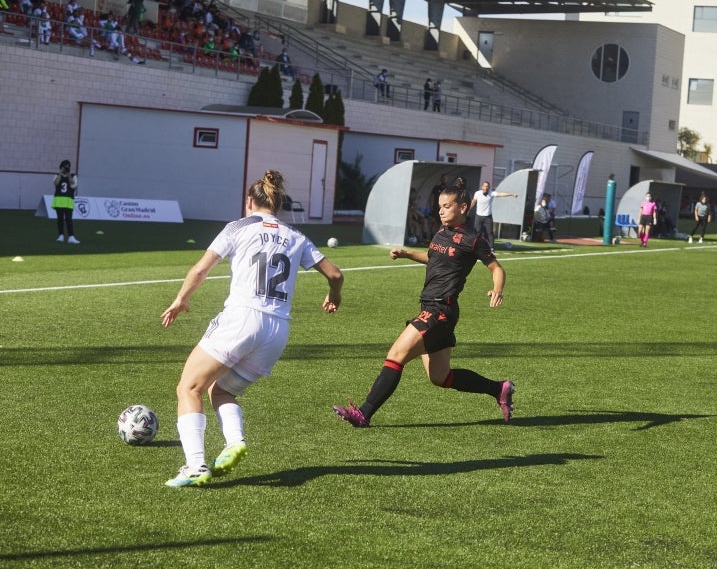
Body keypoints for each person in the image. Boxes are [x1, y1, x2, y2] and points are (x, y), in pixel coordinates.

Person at [160, 170, 344, 487]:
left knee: (188, 388)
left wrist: (181, 299)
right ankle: (234, 442)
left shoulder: (238, 227)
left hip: (242, 318)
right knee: (223, 390)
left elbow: (201, 269)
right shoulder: (296, 236)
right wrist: (334, 295)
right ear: (278, 205)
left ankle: (195, 466)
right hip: (277, 331)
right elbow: (336, 275)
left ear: (249, 201)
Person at [333, 183, 514, 428]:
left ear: (463, 208)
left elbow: (497, 268)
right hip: (432, 308)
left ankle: (363, 414)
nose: (441, 211)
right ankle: (499, 388)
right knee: (440, 377)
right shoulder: (441, 232)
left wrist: (497, 289)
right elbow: (432, 258)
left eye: (446, 206)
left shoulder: (473, 240)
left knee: (396, 355)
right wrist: (408, 254)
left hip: (440, 311)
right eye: (439, 206)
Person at [470, 180, 518, 250]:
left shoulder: (491, 193)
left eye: (487, 187)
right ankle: (475, 247)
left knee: (490, 232)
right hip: (479, 216)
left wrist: (512, 194)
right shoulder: (477, 193)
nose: (486, 188)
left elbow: (501, 194)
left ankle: (492, 248)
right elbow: (473, 202)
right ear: (482, 187)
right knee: (477, 232)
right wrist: (467, 210)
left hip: (488, 216)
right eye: (484, 186)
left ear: (489, 188)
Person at [52, 159, 79, 244]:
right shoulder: (57, 175)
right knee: (60, 219)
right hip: (59, 201)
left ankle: (71, 237)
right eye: (65, 167)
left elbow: (73, 185)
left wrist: (69, 174)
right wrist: (60, 173)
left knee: (68, 219)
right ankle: (61, 235)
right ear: (61, 167)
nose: (66, 169)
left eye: (68, 167)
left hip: (68, 201)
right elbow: (56, 183)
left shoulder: (73, 176)